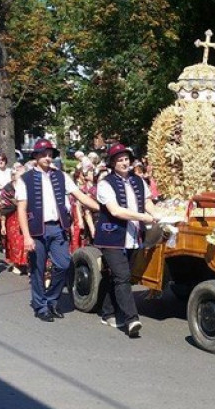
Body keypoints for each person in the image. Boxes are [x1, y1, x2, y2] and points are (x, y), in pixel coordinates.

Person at [16, 138, 100, 322]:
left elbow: (80, 196)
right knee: (38, 270)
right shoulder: (25, 179)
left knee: (64, 264)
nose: (48, 158)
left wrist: (102, 207)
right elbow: (21, 209)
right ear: (36, 156)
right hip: (37, 230)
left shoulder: (60, 175)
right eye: (44, 154)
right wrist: (27, 237)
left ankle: (52, 299)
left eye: (50, 155)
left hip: (57, 228)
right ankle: (40, 306)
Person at [93, 143, 157, 336]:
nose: (124, 162)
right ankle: (131, 319)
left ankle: (107, 311)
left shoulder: (138, 180)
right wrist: (143, 217)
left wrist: (158, 215)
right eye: (119, 159)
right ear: (112, 163)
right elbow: (115, 211)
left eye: (126, 159)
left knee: (119, 276)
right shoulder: (105, 183)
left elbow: (147, 202)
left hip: (133, 235)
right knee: (123, 276)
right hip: (111, 236)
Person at [0, 162, 27, 275]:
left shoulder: (28, 187)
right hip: (11, 218)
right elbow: (4, 208)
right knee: (15, 242)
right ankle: (17, 263)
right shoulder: (7, 189)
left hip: (26, 217)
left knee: (25, 241)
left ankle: (27, 263)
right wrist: (3, 225)